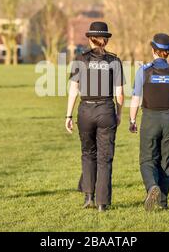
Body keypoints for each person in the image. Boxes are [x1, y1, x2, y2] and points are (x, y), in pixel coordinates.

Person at [129, 33, 169, 211]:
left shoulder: (144, 71)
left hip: (150, 119)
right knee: (166, 163)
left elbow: (135, 98)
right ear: (168, 52)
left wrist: (132, 119)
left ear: (153, 50)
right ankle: (163, 203)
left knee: (147, 160)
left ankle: (152, 187)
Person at [65, 21, 125, 213]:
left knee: (87, 154)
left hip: (85, 110)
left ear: (90, 39)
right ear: (105, 40)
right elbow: (120, 93)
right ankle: (102, 203)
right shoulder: (114, 61)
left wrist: (68, 115)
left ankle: (88, 197)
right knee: (105, 158)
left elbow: (73, 90)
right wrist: (119, 113)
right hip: (106, 109)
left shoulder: (80, 60)